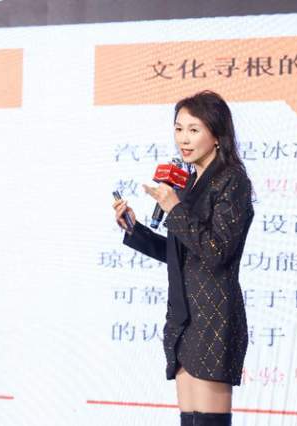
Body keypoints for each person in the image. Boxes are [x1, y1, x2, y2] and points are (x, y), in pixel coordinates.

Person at [112, 91, 254, 426]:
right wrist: (135, 230)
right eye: (178, 129)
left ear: (217, 135)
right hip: (183, 316)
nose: (183, 139)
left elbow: (216, 252)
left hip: (213, 317)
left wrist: (174, 207)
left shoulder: (232, 180)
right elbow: (184, 256)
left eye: (193, 129)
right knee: (189, 420)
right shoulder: (189, 183)